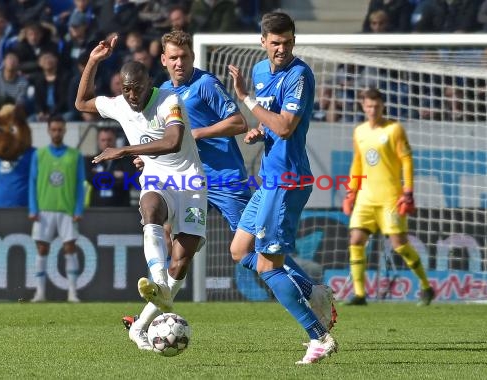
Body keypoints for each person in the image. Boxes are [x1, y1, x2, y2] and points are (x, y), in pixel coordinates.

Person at [122, 29, 336, 351]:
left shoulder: (206, 85)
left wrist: (193, 134)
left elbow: (237, 122)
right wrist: (148, 155)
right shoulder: (163, 92)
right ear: (163, 60)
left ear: (192, 57)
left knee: (251, 248)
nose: (180, 63)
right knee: (178, 252)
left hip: (224, 179)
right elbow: (165, 139)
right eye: (174, 58)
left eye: (185, 57)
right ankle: (142, 324)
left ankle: (311, 291)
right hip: (187, 181)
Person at [227, 12, 338, 365]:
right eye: (275, 43)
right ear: (263, 42)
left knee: (266, 267)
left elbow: (287, 127)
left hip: (288, 180)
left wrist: (247, 100)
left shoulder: (299, 74)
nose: (282, 49)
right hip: (269, 178)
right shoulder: (261, 72)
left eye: (288, 42)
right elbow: (273, 124)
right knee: (239, 249)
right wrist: (261, 131)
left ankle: (319, 337)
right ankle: (312, 290)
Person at [75, 35, 207, 317]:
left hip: (189, 181)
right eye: (126, 90)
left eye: (137, 88)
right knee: (150, 208)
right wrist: (94, 60)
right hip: (157, 177)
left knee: (180, 264)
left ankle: (141, 325)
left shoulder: (169, 100)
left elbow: (172, 141)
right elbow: (82, 102)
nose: (132, 95)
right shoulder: (121, 104)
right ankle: (157, 278)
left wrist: (123, 151)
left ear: (149, 84)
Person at [342, 88, 435, 307]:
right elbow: (357, 162)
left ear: (382, 106)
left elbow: (406, 161)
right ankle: (359, 294)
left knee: (400, 245)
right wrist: (351, 191)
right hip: (365, 197)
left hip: (390, 198)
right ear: (363, 106)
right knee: (355, 240)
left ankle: (426, 286)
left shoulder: (394, 130)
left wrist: (408, 192)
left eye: (376, 106)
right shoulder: (359, 132)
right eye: (368, 106)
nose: (372, 110)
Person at [28, 114, 85, 303]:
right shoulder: (39, 154)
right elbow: (33, 182)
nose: (56, 132)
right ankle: (40, 293)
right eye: (53, 129)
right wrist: (33, 208)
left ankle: (72, 292)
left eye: (60, 129)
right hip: (44, 210)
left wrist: (78, 209)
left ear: (65, 130)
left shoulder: (75, 155)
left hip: (67, 210)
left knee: (70, 248)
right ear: (48, 130)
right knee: (42, 249)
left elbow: (79, 184)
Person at [84, 127, 133, 207]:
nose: (106, 143)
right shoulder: (91, 161)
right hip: (96, 209)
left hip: (121, 209)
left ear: (115, 140)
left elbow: (128, 182)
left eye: (109, 140)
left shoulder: (126, 160)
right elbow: (90, 179)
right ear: (98, 142)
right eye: (103, 140)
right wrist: (113, 175)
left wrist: (100, 176)